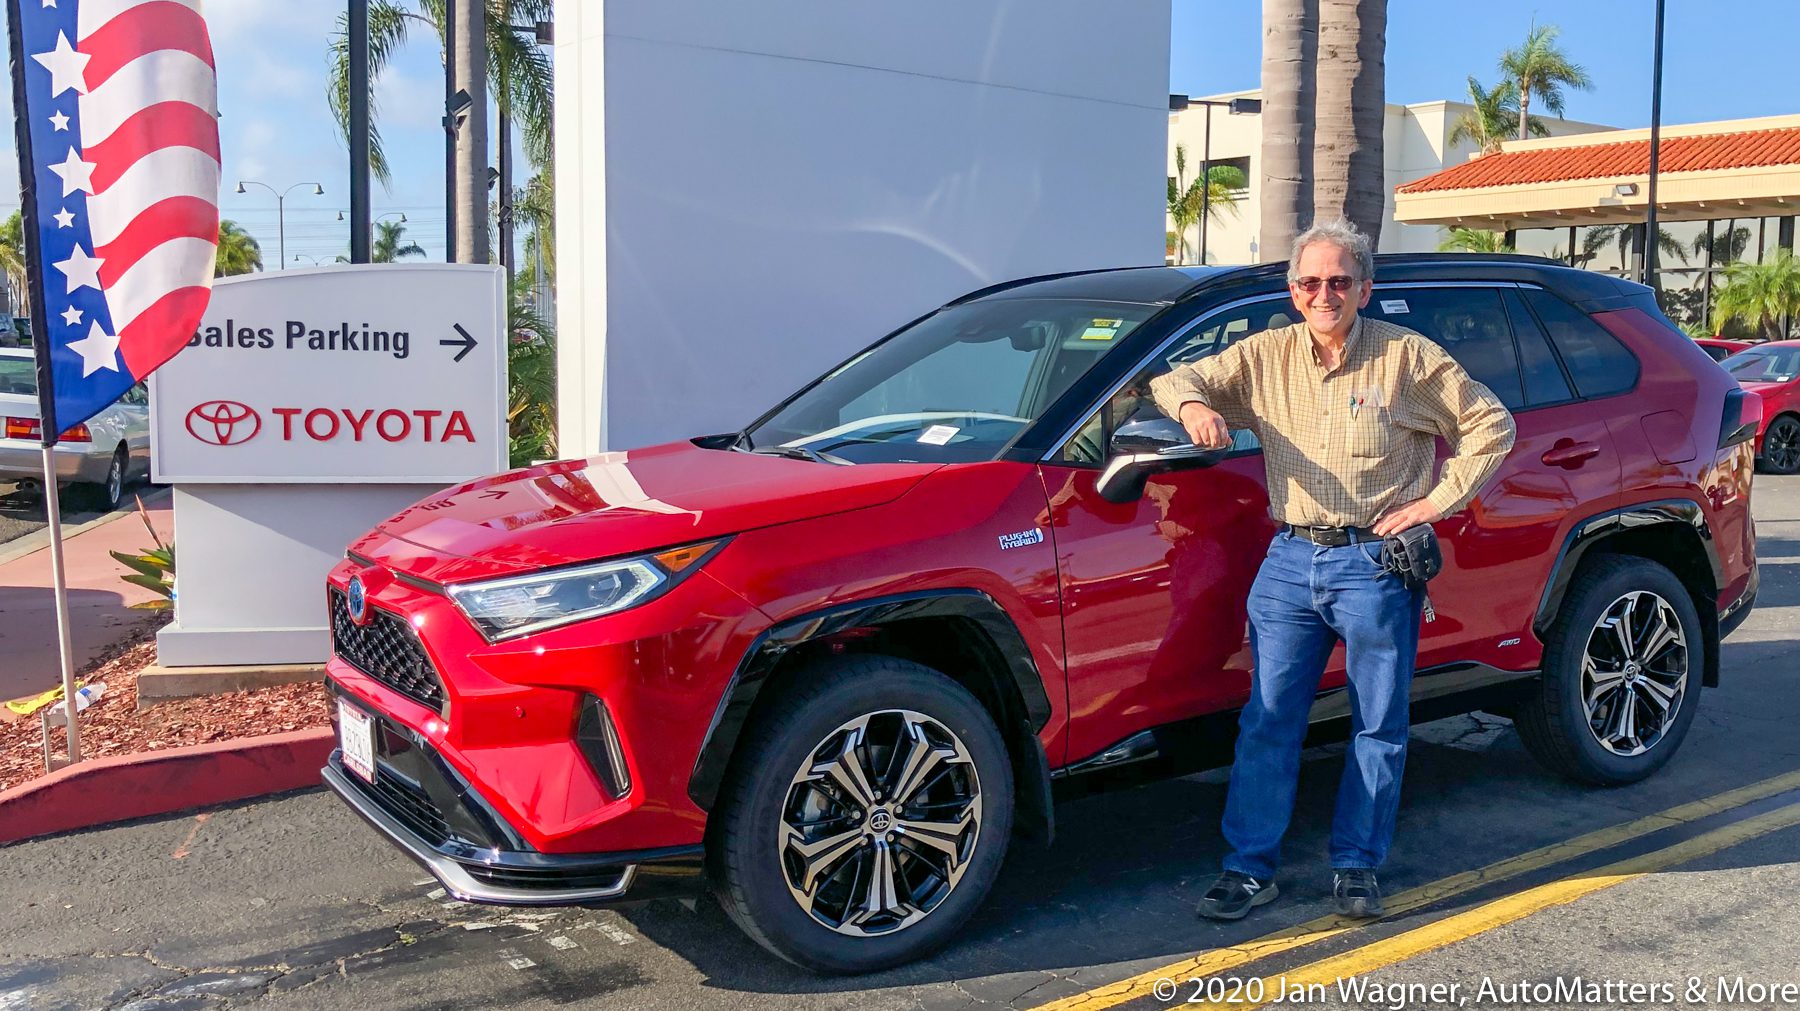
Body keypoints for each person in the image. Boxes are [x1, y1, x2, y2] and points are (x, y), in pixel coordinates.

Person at [1149, 219, 1516, 921]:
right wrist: (1196, 405)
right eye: (1312, 282)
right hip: (1288, 560)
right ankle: (1249, 868)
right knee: (1269, 719)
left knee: (1377, 723)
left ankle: (1357, 865)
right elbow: (1177, 378)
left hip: (1374, 562)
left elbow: (1491, 425)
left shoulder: (1406, 358)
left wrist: (1432, 503)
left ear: (1364, 289)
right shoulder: (1265, 356)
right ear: (1293, 291)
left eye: (1340, 281)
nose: (1325, 294)